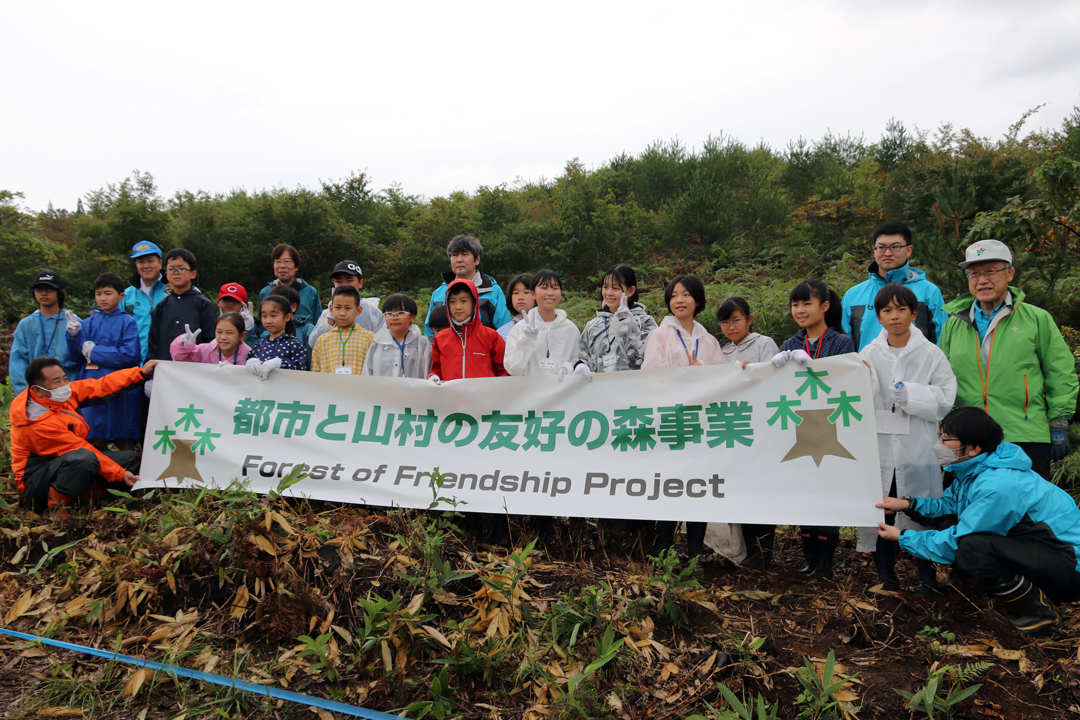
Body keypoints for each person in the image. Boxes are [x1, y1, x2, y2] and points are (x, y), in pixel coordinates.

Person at [879, 407, 1080, 635]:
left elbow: (958, 541)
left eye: (946, 439)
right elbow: (950, 505)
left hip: (1069, 567)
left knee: (973, 549)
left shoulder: (998, 485)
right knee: (950, 525)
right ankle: (1011, 594)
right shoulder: (979, 469)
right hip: (1042, 552)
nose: (939, 444)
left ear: (973, 448)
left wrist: (902, 537)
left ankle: (1039, 614)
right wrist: (907, 504)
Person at [939, 239, 1078, 480]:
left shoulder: (1036, 319)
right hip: (968, 440)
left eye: (991, 271)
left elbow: (1060, 371)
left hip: (1023, 434)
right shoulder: (954, 324)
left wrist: (1058, 422)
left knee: (1026, 513)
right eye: (974, 274)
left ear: (1010, 273)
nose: (982, 280)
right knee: (967, 510)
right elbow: (940, 379)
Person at [857, 284, 957, 593]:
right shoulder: (870, 353)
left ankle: (925, 576)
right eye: (887, 310)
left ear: (914, 314)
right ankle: (886, 576)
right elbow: (855, 391)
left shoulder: (930, 354)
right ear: (879, 316)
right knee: (882, 507)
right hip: (880, 444)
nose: (894, 316)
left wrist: (912, 394)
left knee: (918, 508)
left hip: (917, 445)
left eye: (902, 309)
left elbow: (946, 396)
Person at [772, 279, 856, 578]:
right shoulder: (791, 344)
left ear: (825, 306)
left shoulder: (842, 342)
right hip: (799, 428)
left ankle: (826, 565)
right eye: (795, 304)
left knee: (828, 495)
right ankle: (809, 561)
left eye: (807, 303)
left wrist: (814, 365)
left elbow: (843, 381)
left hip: (831, 428)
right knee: (804, 494)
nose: (800, 310)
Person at [642, 275, 724, 559]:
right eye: (674, 295)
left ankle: (695, 550)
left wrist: (704, 375)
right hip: (670, 421)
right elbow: (651, 375)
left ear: (698, 300)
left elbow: (724, 383)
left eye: (686, 294)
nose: (679, 300)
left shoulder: (710, 340)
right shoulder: (660, 335)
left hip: (700, 424)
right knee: (670, 482)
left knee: (698, 482)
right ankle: (663, 546)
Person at [10, 356, 158, 512]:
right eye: (56, 381)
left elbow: (100, 386)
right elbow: (81, 449)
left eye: (65, 378)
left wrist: (141, 373)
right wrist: (120, 474)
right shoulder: (37, 423)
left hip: (67, 461)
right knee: (84, 459)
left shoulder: (57, 396)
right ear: (37, 390)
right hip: (35, 480)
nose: (64, 385)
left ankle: (88, 495)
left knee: (129, 459)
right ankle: (57, 506)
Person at [716, 296, 780, 570]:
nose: (731, 327)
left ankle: (764, 550)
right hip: (731, 428)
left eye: (737, 320)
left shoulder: (764, 344)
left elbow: (773, 378)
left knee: (761, 488)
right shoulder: (721, 351)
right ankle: (743, 550)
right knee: (738, 489)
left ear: (749, 320)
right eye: (725, 322)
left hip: (760, 426)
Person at [64, 273, 142, 451]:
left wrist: (95, 352)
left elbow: (130, 355)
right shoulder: (88, 323)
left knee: (125, 440)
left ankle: (127, 477)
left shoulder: (128, 322)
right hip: (92, 385)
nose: (102, 298)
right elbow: (76, 357)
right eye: (98, 294)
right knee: (92, 440)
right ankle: (96, 478)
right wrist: (73, 336)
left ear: (121, 296)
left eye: (108, 293)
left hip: (121, 387)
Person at [841, 221, 949, 350]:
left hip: (917, 368)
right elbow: (844, 344)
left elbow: (943, 340)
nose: (887, 253)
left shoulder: (928, 292)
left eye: (895, 247)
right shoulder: (853, 296)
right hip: (868, 368)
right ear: (874, 251)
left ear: (909, 250)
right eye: (881, 247)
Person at [505, 270, 589, 380]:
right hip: (530, 393)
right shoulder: (520, 329)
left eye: (555, 288)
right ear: (533, 294)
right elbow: (512, 369)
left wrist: (568, 368)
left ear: (560, 293)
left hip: (562, 393)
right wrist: (527, 341)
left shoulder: (570, 329)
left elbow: (575, 360)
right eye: (544, 288)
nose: (550, 293)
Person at [423, 235, 512, 337]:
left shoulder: (492, 291)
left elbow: (504, 331)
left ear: (477, 259)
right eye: (454, 255)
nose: (459, 260)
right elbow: (429, 332)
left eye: (465, 254)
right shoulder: (439, 294)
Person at [8, 271, 81, 394]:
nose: (43, 293)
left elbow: (81, 358)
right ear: (33, 293)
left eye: (49, 289)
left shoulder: (74, 322)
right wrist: (25, 393)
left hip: (68, 390)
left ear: (61, 293)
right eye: (39, 289)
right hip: (36, 392)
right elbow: (17, 362)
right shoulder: (26, 324)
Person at [579, 265, 658, 374]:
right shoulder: (592, 326)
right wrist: (581, 365)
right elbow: (583, 356)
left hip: (634, 388)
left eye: (615, 288)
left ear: (630, 291)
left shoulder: (645, 322)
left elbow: (641, 361)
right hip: (600, 389)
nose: (609, 293)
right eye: (605, 287)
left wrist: (626, 323)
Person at [428, 279, 508, 382]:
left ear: (474, 303)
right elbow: (437, 369)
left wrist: (495, 391)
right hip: (451, 397)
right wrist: (434, 376)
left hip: (483, 397)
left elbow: (504, 370)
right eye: (452, 301)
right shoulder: (440, 338)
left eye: (464, 301)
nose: (457, 307)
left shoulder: (491, 336)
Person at [146, 248, 217, 362]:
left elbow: (211, 340)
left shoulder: (203, 304)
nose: (176, 272)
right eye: (171, 269)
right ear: (166, 273)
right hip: (166, 366)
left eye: (181, 268)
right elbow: (154, 341)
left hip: (195, 367)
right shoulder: (161, 307)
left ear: (193, 274)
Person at [308, 260, 384, 347]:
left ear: (360, 283)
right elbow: (313, 343)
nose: (344, 285)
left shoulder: (372, 312)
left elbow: (382, 343)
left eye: (349, 280)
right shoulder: (328, 313)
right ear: (334, 284)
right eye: (339, 281)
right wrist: (331, 317)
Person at [310, 285, 375, 375]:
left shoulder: (369, 338)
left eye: (348, 308)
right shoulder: (322, 341)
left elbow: (374, 371)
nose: (342, 313)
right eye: (338, 307)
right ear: (331, 309)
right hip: (328, 388)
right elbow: (315, 373)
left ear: (358, 310)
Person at [364, 294, 432, 378]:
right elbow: (367, 373)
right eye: (389, 313)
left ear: (412, 317)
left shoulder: (422, 344)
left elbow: (428, 371)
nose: (394, 317)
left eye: (400, 313)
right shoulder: (377, 344)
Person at [121, 241, 169, 362]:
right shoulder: (125, 295)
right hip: (134, 365)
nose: (145, 265)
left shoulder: (173, 291)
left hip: (167, 363)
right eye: (141, 262)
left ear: (160, 263)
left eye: (150, 260)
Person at [257, 244, 323, 331]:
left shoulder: (310, 293)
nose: (282, 266)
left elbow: (318, 326)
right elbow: (259, 330)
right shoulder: (265, 293)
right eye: (278, 261)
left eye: (287, 261)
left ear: (296, 266)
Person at [246, 295, 309, 379]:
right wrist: (249, 363)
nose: (268, 321)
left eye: (273, 316)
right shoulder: (259, 345)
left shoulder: (294, 345)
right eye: (264, 316)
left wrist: (281, 363)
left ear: (287, 317)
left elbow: (302, 373)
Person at [170, 313, 252, 366]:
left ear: (242, 335)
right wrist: (184, 346)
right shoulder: (204, 351)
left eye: (229, 333)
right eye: (219, 332)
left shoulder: (250, 355)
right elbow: (179, 360)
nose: (223, 337)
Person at [497, 274, 535, 339]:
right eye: (516, 293)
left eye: (526, 292)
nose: (520, 297)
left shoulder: (547, 326)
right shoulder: (501, 332)